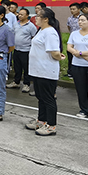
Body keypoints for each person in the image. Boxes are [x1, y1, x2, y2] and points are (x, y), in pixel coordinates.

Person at [23, 8, 65, 136]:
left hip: (46, 70)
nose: (35, 18)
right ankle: (41, 121)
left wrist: (60, 57)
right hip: (37, 70)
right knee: (40, 97)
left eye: (38, 16)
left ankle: (51, 125)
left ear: (46, 19)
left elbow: (54, 52)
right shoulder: (41, 30)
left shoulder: (50, 32)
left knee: (48, 98)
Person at [7, 8, 37, 93]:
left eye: (22, 14)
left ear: (27, 16)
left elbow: (34, 37)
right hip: (16, 49)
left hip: (26, 50)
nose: (19, 16)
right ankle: (16, 82)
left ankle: (26, 84)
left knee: (26, 68)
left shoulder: (31, 26)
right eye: (19, 14)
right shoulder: (16, 24)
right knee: (17, 67)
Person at [66, 2, 82, 78]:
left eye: (74, 9)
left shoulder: (82, 18)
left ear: (79, 9)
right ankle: (70, 72)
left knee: (78, 55)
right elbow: (69, 27)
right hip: (72, 39)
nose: (72, 10)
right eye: (71, 9)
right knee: (70, 56)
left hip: (81, 39)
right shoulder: (69, 18)